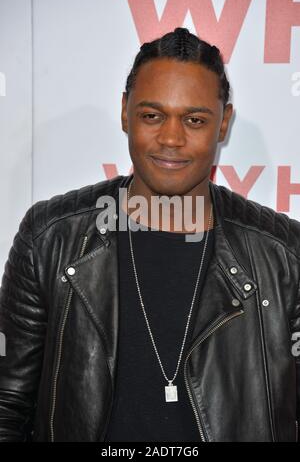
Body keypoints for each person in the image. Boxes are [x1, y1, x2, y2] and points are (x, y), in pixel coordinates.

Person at [0, 27, 299, 442]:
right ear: (125, 112)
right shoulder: (51, 238)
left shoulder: (285, 255)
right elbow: (7, 407)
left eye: (194, 120)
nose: (171, 139)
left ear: (224, 122)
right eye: (152, 116)